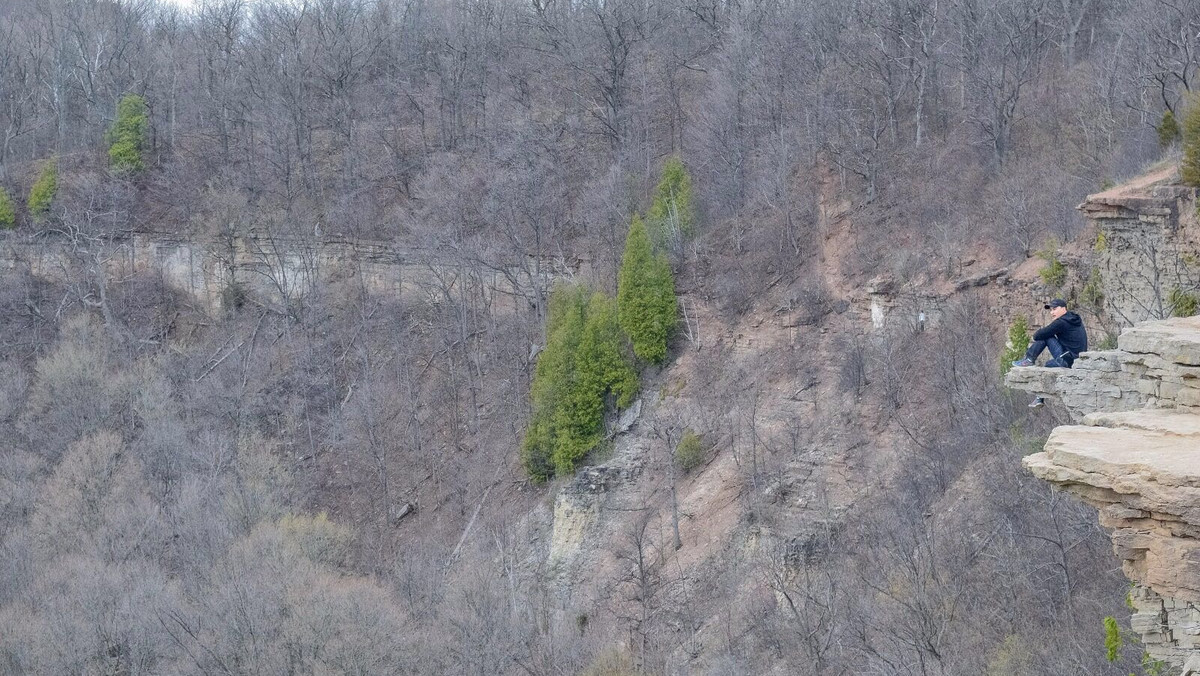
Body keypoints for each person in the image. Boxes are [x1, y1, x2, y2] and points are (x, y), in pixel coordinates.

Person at [1011, 298, 1088, 408]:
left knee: (1046, 337)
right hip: (1077, 360)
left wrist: (1045, 331)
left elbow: (1037, 336)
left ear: (1063, 308)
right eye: (1051, 310)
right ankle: (1039, 398)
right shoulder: (1074, 319)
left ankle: (1028, 359)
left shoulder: (1061, 322)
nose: (1052, 312)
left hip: (1068, 360)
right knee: (1048, 364)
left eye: (1054, 309)